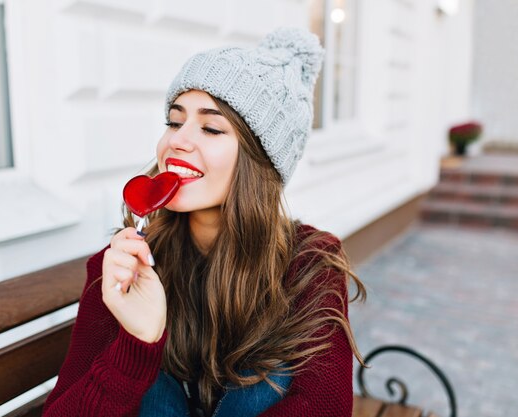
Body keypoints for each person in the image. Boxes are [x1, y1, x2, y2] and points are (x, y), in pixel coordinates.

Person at [42, 26, 366, 417]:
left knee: (268, 363)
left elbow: (325, 409)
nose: (177, 140)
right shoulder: (122, 268)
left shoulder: (310, 263)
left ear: (260, 161)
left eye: (211, 128)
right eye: (174, 122)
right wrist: (138, 342)